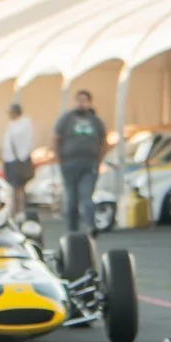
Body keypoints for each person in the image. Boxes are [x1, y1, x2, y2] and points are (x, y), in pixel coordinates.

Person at [53, 89, 107, 234]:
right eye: (79, 100)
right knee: (71, 198)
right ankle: (72, 229)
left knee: (86, 195)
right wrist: (59, 159)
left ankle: (90, 226)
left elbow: (103, 141)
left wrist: (99, 160)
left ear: (90, 103)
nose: (81, 103)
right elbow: (57, 138)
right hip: (70, 163)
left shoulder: (96, 121)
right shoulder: (67, 119)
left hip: (89, 164)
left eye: (84, 100)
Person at [2, 100, 36, 220]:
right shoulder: (12, 124)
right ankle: (15, 210)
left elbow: (25, 143)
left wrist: (21, 157)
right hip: (10, 159)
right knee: (13, 187)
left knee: (18, 187)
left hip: (18, 160)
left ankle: (19, 210)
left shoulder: (24, 124)